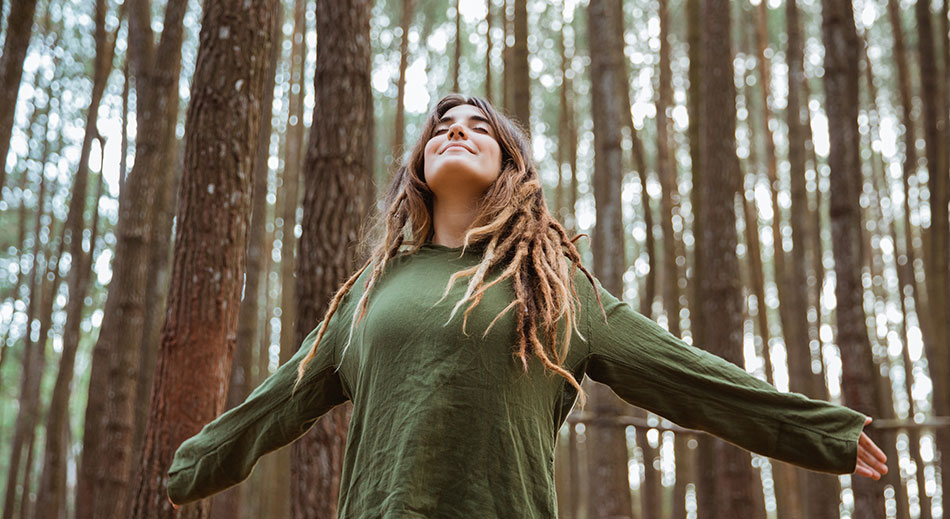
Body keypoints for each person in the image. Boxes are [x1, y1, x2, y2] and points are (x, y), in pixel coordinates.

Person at [166, 94, 888, 516]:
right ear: (417, 168)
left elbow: (685, 373)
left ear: (511, 166)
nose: (457, 129)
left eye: (479, 126)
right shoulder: (367, 291)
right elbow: (276, 399)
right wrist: (191, 466)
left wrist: (815, 431)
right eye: (442, 126)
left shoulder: (551, 280)